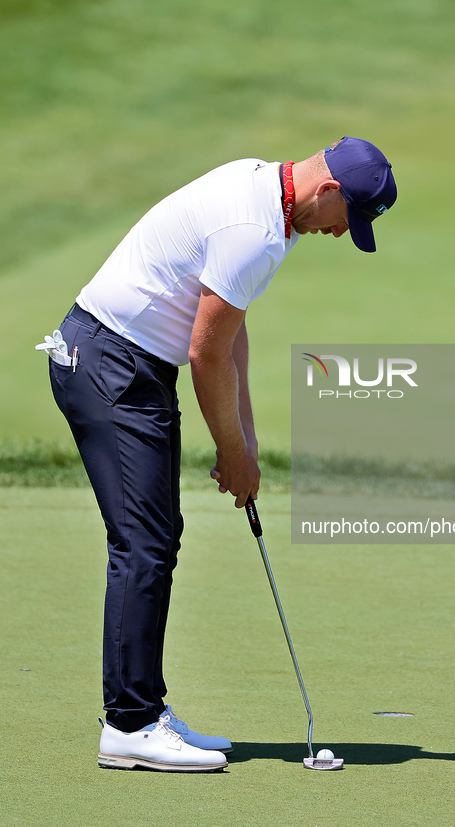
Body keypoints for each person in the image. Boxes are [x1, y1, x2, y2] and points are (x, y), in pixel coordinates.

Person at [44, 136, 397, 772]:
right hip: (110, 364)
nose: (345, 234)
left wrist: (248, 443)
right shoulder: (255, 231)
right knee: (144, 541)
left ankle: (142, 708)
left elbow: (230, 335)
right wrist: (231, 454)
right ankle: (129, 725)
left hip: (129, 363)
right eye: (351, 220)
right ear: (329, 191)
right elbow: (205, 354)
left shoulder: (268, 200)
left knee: (154, 535)